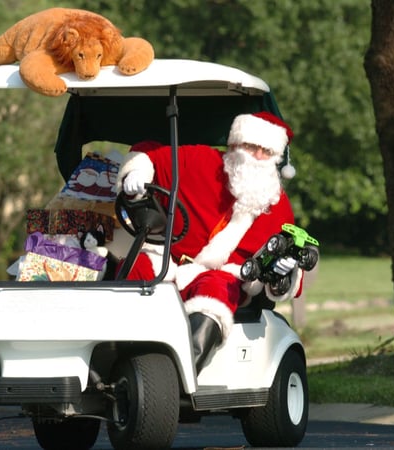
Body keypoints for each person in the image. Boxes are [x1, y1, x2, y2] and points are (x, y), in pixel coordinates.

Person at [117, 111, 304, 373]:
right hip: (171, 264)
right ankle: (111, 355)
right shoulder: (201, 162)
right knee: (136, 266)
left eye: (266, 151)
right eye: (251, 147)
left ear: (275, 157)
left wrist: (283, 272)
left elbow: (290, 254)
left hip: (229, 278)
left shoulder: (277, 202)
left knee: (217, 288)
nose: (258, 157)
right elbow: (149, 153)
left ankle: (180, 374)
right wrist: (137, 172)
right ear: (235, 145)